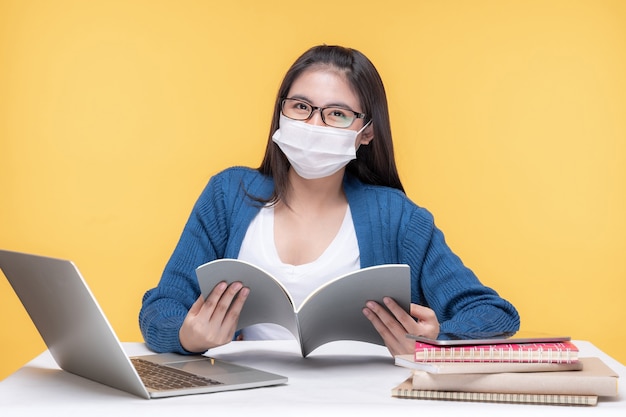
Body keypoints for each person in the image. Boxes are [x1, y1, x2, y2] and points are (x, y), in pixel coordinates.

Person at [139, 45, 520, 357]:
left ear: (367, 132)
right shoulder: (227, 195)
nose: (313, 125)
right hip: (247, 400)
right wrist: (187, 336)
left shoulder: (399, 218)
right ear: (281, 111)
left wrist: (433, 340)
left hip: (364, 405)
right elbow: (160, 309)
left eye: (337, 115)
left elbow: (495, 315)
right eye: (301, 107)